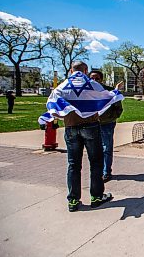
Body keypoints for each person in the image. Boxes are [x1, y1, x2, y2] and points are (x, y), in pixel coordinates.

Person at [41, 61, 122, 212]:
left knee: (73, 165)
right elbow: (107, 98)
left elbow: (52, 106)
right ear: (85, 70)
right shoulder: (93, 85)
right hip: (90, 126)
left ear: (71, 70)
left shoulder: (61, 87)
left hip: (71, 128)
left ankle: (73, 200)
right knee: (96, 163)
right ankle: (96, 197)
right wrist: (116, 91)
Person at [89, 70, 123, 183]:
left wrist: (112, 117)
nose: (94, 80)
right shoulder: (86, 91)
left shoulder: (108, 91)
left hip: (107, 124)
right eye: (92, 78)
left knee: (106, 148)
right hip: (91, 124)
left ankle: (106, 172)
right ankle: (96, 171)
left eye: (97, 78)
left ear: (101, 79)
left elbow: (118, 106)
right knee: (94, 149)